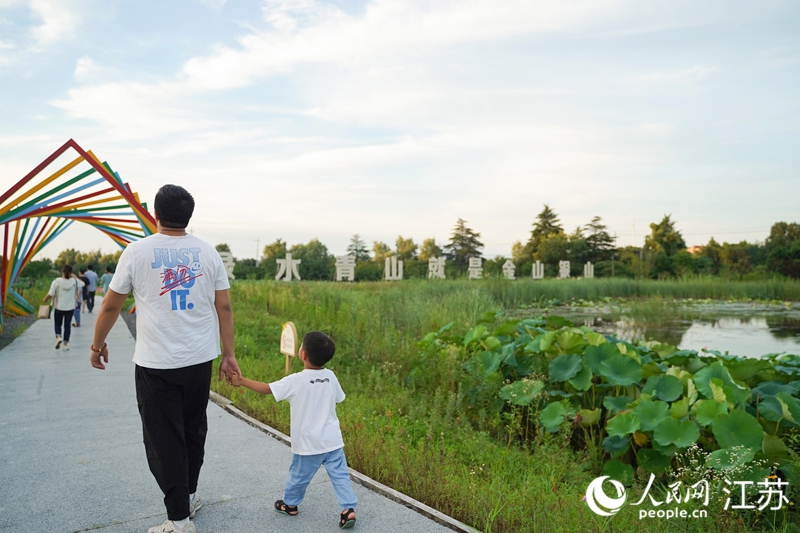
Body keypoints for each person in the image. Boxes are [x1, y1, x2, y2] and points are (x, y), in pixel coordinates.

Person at [90, 184, 241, 533]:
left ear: (156, 214)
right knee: (192, 429)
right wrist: (229, 355)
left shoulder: (137, 251)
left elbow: (112, 304)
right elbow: (225, 306)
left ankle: (178, 519)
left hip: (156, 362)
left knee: (162, 437)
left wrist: (98, 344)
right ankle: (187, 496)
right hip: (199, 359)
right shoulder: (208, 252)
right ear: (189, 215)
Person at [231, 331, 358, 529]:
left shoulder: (296, 380)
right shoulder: (330, 376)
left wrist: (241, 381)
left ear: (303, 355)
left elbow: (267, 388)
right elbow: (339, 398)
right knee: (341, 476)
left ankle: (290, 504)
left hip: (308, 444)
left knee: (298, 476)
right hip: (332, 442)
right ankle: (348, 509)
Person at [43, 264, 84, 350]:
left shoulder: (56, 281)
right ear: (71, 272)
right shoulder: (74, 281)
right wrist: (75, 277)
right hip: (70, 308)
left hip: (59, 307)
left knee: (58, 324)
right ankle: (65, 344)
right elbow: (82, 284)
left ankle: (59, 337)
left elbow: (51, 293)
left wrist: (45, 299)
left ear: (62, 271)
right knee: (67, 326)